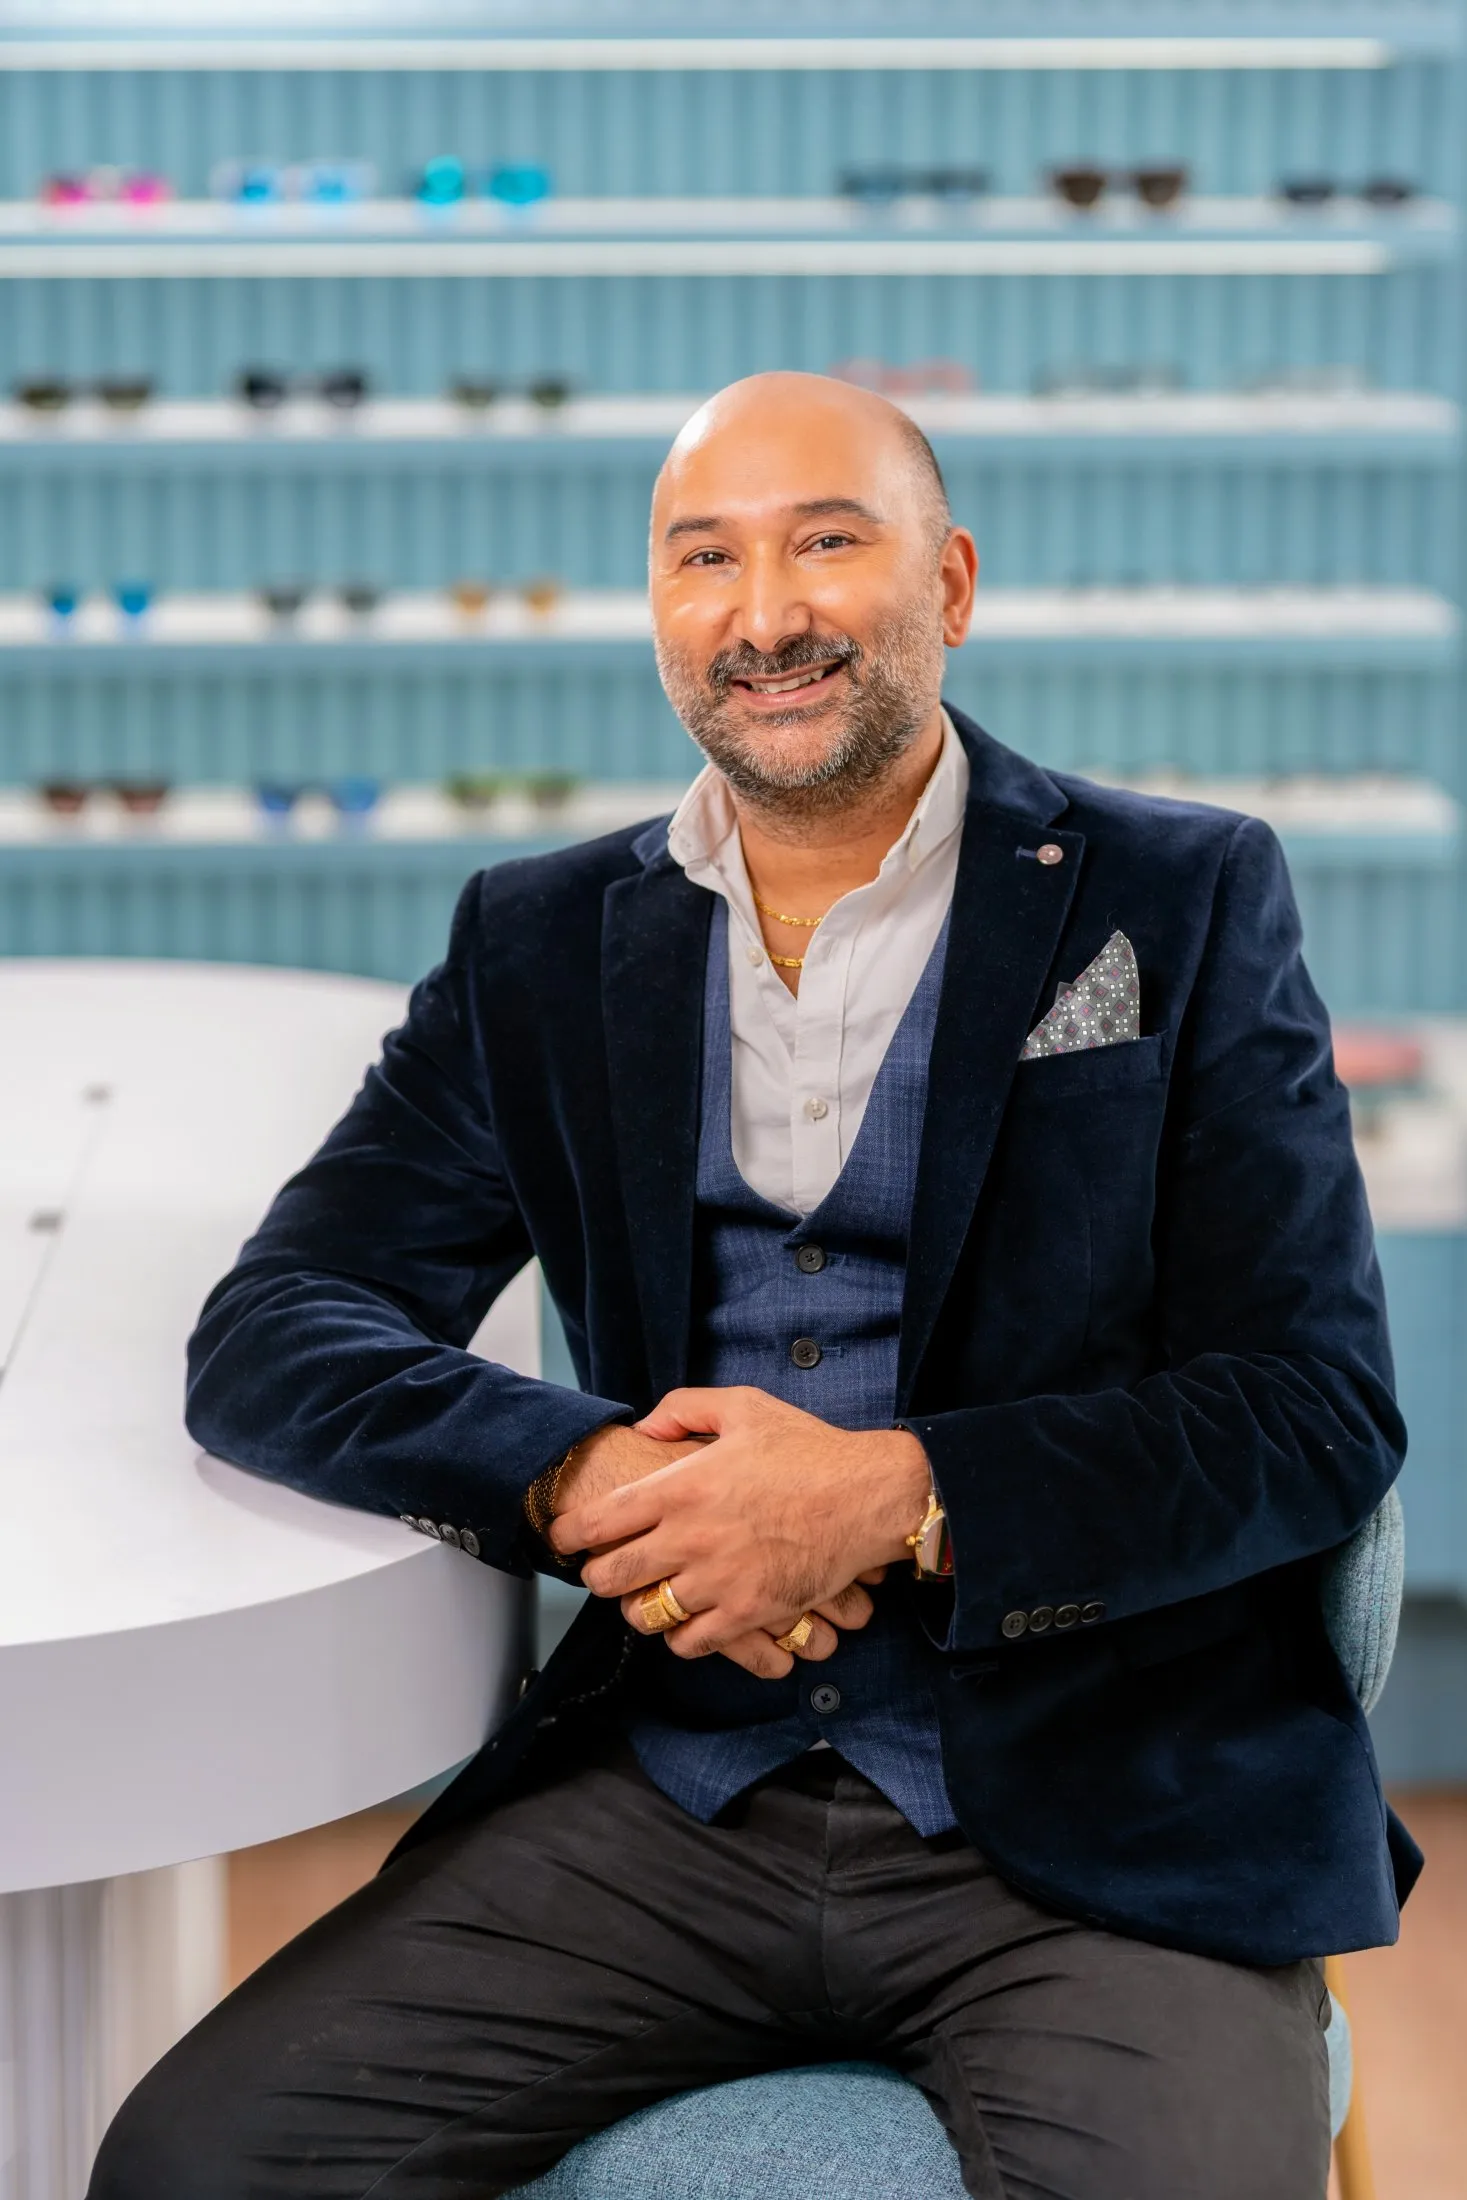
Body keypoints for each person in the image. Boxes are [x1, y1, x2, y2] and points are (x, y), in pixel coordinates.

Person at [90, 371, 1419, 2200]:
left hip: (1100, 1809)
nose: (764, 613)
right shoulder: (542, 943)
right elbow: (276, 1332)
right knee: (196, 2164)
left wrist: (897, 1494)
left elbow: (1309, 1411)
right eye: (703, 558)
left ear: (946, 586)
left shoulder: (1176, 898)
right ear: (656, 614)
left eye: (825, 543)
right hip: (669, 1797)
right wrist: (586, 1477)